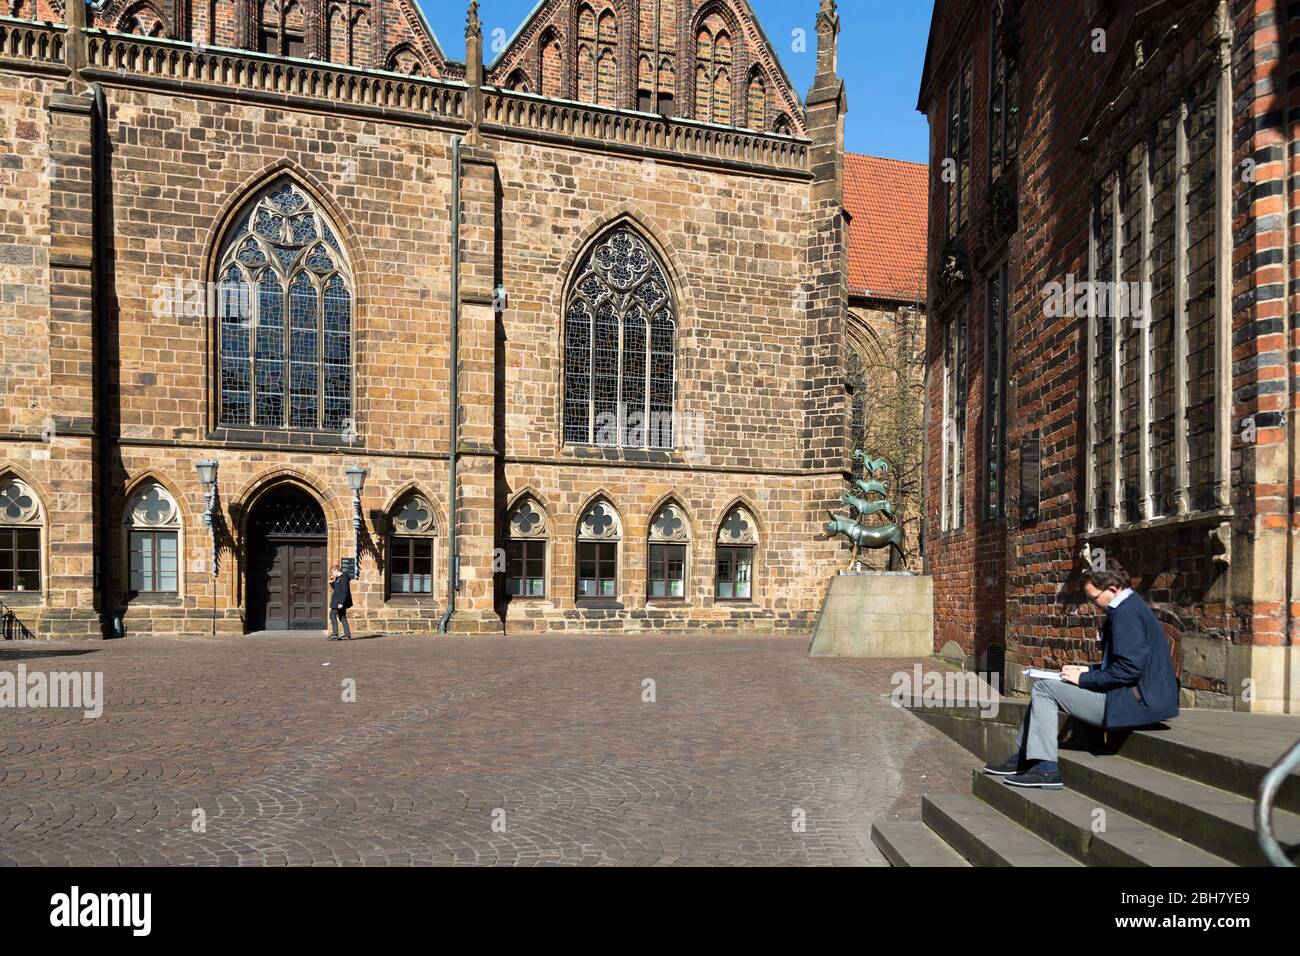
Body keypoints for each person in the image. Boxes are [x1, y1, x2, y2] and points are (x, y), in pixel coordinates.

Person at [983, 559, 1180, 790]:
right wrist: (1087, 670)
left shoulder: (1125, 615)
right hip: (1139, 697)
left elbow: (1127, 671)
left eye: (1095, 598)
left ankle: (1046, 770)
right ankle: (1025, 758)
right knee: (1049, 684)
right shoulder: (1133, 607)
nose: (1094, 604)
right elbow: (1129, 664)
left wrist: (1084, 679)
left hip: (1136, 703)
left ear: (1113, 589)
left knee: (1045, 688)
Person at [328, 564, 354, 641]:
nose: (332, 574)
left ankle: (335, 634)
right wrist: (332, 583)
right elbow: (337, 589)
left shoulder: (343, 578)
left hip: (339, 602)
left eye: (332, 572)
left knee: (332, 615)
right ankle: (347, 635)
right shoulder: (339, 578)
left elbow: (344, 591)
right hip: (338, 601)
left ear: (336, 570)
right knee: (342, 617)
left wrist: (341, 603)